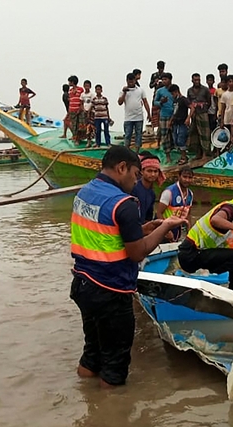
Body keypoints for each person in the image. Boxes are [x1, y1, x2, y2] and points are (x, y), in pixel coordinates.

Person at [70, 145, 186, 387]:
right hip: (111, 292)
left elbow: (104, 233)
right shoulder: (124, 203)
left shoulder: (85, 192)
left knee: (92, 355)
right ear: (121, 167)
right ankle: (111, 419)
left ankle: (85, 402)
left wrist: (141, 229)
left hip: (83, 283)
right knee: (114, 366)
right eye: (135, 174)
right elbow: (137, 253)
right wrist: (165, 227)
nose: (136, 181)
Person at [156, 166, 194, 241]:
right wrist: (166, 231)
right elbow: (159, 213)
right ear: (179, 177)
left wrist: (190, 232)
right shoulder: (169, 192)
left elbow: (188, 215)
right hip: (163, 227)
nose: (187, 180)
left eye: (190, 178)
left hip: (177, 228)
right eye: (184, 177)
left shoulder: (190, 194)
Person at [118, 72, 151, 153]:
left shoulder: (140, 90)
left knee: (138, 135)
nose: (130, 83)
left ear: (135, 81)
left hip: (139, 117)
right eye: (129, 81)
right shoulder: (123, 91)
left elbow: (145, 102)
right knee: (128, 135)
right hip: (128, 117)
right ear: (126, 81)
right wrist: (124, 93)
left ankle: (136, 152)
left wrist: (149, 113)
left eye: (132, 81)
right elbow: (120, 102)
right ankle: (127, 151)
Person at [131, 151, 165, 224]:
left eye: (155, 171)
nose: (153, 174)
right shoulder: (134, 189)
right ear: (142, 171)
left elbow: (148, 217)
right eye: (149, 171)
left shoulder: (152, 194)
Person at [186, 73, 212, 160]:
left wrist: (204, 109)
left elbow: (209, 102)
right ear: (192, 80)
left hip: (203, 113)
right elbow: (189, 103)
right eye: (195, 80)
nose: (197, 82)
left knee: (204, 134)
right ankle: (198, 153)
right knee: (195, 134)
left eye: (198, 80)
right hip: (194, 114)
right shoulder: (189, 90)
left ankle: (205, 154)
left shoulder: (205, 90)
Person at [169, 84, 190, 164]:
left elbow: (192, 108)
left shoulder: (183, 99)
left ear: (176, 92)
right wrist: (170, 121)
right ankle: (182, 156)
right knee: (176, 140)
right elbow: (174, 112)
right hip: (176, 123)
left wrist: (188, 118)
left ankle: (184, 157)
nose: (172, 95)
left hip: (182, 123)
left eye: (172, 93)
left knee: (181, 140)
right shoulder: (175, 101)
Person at [153, 73, 174, 155]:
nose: (164, 81)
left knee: (175, 135)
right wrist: (161, 102)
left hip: (174, 115)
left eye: (166, 79)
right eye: (163, 79)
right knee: (164, 136)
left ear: (170, 80)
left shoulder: (174, 89)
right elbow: (155, 102)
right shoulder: (160, 91)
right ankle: (167, 155)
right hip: (164, 115)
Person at [67, 75, 85, 146]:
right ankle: (76, 139)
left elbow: (82, 100)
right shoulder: (70, 91)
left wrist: (80, 108)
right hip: (72, 110)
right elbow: (71, 101)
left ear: (72, 82)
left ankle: (80, 138)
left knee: (80, 125)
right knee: (74, 126)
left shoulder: (80, 89)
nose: (68, 83)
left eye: (69, 82)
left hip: (79, 110)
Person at [149, 61, 166, 130]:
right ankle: (154, 128)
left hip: (164, 96)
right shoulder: (154, 75)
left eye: (162, 68)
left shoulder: (166, 75)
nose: (161, 69)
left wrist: (163, 83)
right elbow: (150, 85)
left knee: (163, 112)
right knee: (154, 113)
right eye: (160, 68)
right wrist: (155, 83)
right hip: (156, 96)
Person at [81, 80, 96, 146]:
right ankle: (88, 141)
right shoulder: (82, 94)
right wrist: (83, 110)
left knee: (93, 126)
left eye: (88, 86)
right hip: (85, 112)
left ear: (90, 86)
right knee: (87, 127)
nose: (86, 87)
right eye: (85, 86)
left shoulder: (92, 94)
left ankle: (96, 140)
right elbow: (81, 103)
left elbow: (93, 103)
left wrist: (89, 111)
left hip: (91, 113)